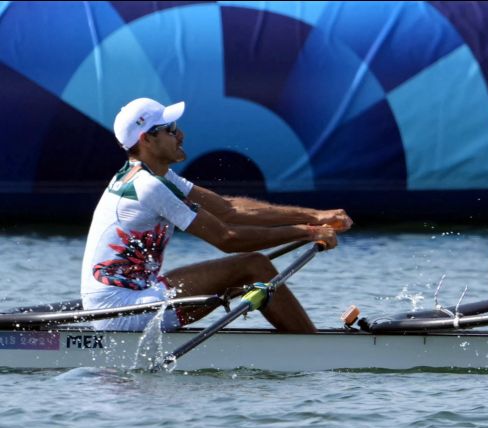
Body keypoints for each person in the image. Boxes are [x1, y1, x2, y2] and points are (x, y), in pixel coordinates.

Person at [81, 97, 352, 333]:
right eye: (171, 129)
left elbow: (228, 210)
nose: (181, 134)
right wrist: (308, 233)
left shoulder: (152, 176)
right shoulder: (149, 186)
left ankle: (307, 345)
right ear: (147, 139)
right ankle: (313, 352)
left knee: (243, 270)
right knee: (253, 266)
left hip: (130, 298)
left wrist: (316, 216)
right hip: (121, 313)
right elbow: (228, 238)